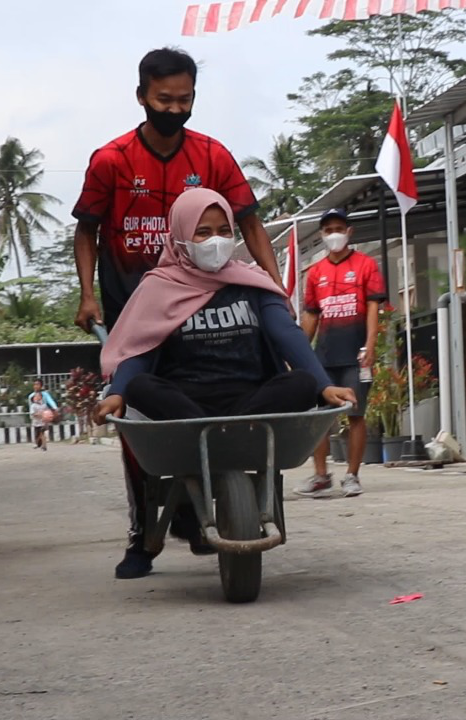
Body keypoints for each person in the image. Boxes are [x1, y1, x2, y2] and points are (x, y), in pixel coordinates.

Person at [72, 48, 284, 578]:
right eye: (164, 99)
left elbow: (251, 222)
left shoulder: (211, 155)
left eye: (184, 99)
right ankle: (144, 533)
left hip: (204, 311)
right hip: (135, 306)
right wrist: (87, 295)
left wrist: (273, 282)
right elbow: (86, 231)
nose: (174, 108)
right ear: (142, 95)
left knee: (204, 406)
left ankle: (201, 508)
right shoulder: (112, 160)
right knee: (137, 417)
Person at [93, 189, 357, 579]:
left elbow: (287, 334)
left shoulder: (251, 282)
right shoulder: (159, 287)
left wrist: (321, 385)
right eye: (202, 232)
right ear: (181, 235)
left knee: (298, 382)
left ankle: (219, 440)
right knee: (141, 387)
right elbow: (139, 350)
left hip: (249, 404)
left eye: (223, 230)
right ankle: (152, 533)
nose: (216, 241)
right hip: (186, 408)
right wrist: (117, 393)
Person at [297, 209, 385, 499]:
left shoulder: (365, 265)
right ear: (322, 234)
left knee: (356, 415)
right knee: (320, 418)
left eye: (338, 228)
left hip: (355, 355)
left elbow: (373, 308)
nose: (333, 234)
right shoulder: (315, 273)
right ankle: (321, 476)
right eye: (327, 229)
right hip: (324, 357)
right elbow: (310, 316)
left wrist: (370, 345)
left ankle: (352, 475)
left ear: (349, 231)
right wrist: (298, 353)